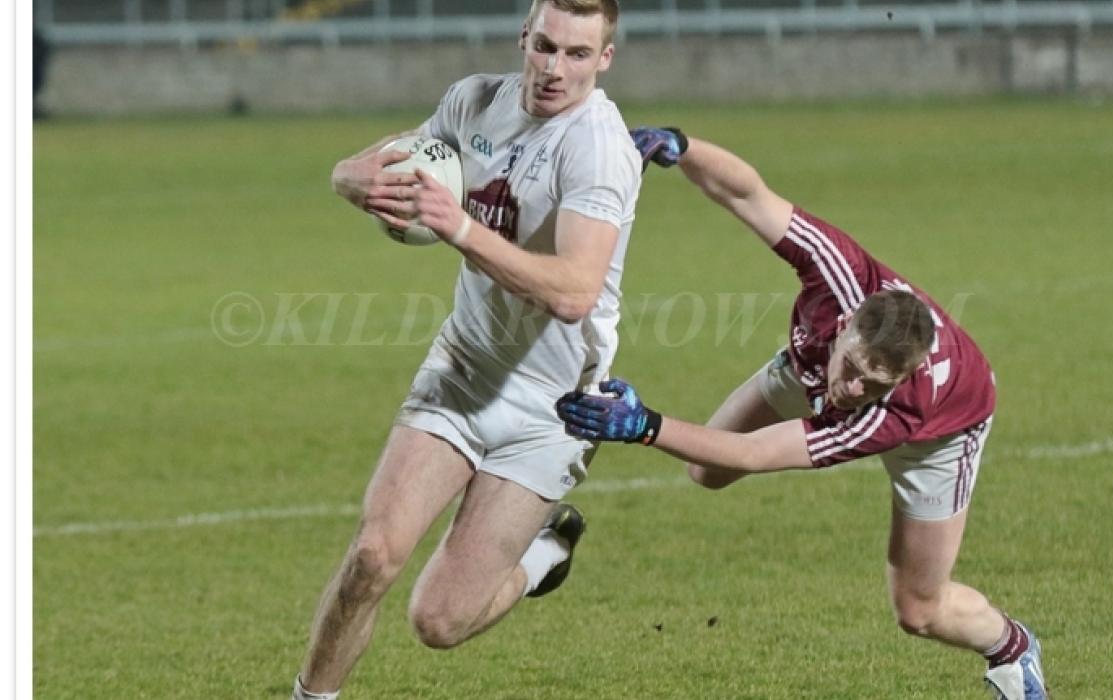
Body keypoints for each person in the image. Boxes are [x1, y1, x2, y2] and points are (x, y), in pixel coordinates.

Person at [555, 128, 1048, 700]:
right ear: (846, 325)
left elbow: (757, 453)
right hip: (804, 364)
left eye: (873, 382)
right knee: (704, 471)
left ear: (897, 380)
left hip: (943, 434)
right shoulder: (839, 272)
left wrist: (645, 426)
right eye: (855, 366)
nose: (853, 387)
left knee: (918, 608)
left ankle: (1012, 648)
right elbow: (748, 196)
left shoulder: (891, 409)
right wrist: (682, 147)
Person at [292, 2, 640, 698]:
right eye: (544, 46)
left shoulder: (599, 149)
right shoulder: (475, 100)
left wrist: (459, 229)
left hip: (555, 407)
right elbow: (376, 164)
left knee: (438, 621)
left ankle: (542, 556)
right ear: (524, 38)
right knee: (372, 555)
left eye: (577, 54)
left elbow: (573, 291)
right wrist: (350, 180)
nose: (553, 68)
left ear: (604, 59)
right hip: (464, 369)